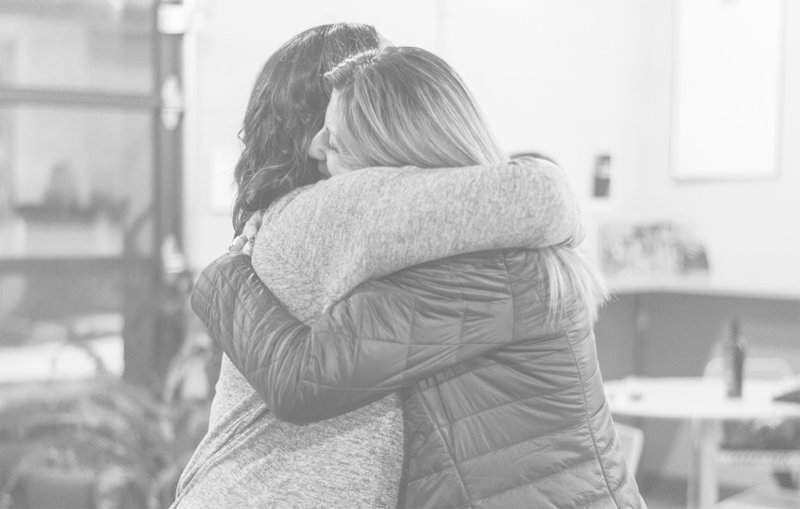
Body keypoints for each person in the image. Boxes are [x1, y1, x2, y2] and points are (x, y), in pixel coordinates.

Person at [192, 47, 646, 508]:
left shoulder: (468, 272)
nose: (316, 149)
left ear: (398, 158)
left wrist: (223, 278)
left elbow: (306, 380)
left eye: (336, 142)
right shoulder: (496, 252)